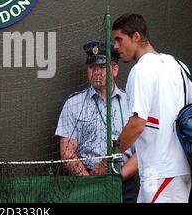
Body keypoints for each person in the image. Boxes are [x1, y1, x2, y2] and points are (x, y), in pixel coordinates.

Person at [113, 13, 192, 203]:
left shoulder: (141, 70)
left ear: (136, 37)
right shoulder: (179, 66)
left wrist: (111, 155)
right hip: (178, 171)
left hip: (160, 172)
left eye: (119, 39)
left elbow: (137, 124)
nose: (116, 47)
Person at [55, 41, 139, 203]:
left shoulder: (131, 104)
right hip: (85, 180)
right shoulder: (74, 103)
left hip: (123, 179)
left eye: (102, 67)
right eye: (92, 67)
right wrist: (90, 183)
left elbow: (141, 152)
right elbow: (67, 152)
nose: (96, 72)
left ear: (114, 70)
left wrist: (118, 178)